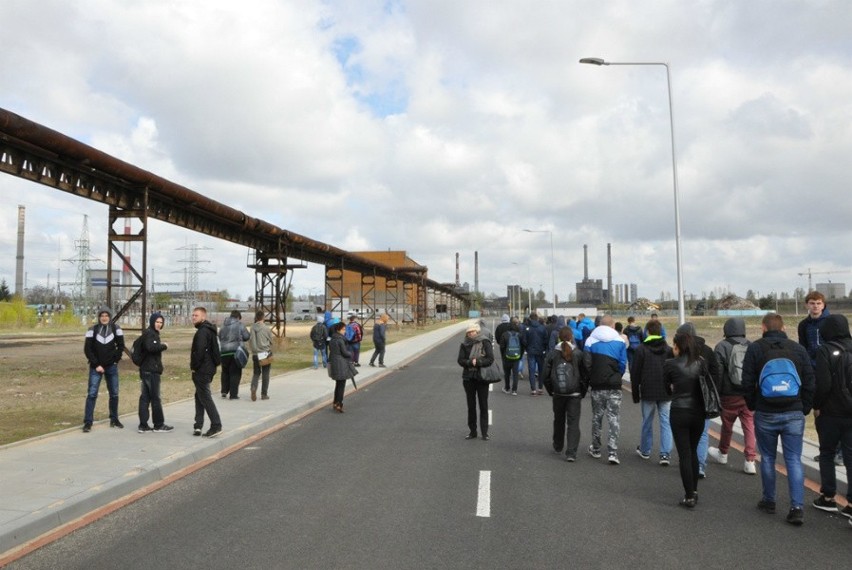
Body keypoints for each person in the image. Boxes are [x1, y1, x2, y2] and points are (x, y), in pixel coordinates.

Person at [741, 313, 815, 526]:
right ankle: (797, 507)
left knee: (768, 458)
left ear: (763, 328)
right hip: (793, 411)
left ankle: (769, 500)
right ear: (783, 328)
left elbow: (746, 381)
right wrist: (805, 407)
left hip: (766, 412)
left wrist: (753, 404)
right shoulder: (798, 349)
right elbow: (809, 381)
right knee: (793, 459)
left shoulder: (756, 348)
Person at [811, 314, 852, 517]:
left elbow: (823, 384)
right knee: (850, 456)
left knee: (827, 453)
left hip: (831, 412)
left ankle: (828, 497)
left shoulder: (825, 350)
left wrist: (816, 406)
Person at [797, 290, 842, 465]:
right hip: (814, 373)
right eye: (812, 303)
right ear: (807, 305)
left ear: (824, 305)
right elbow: (803, 348)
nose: (815, 306)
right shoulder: (804, 325)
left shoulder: (831, 323)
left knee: (835, 412)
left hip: (833, 371)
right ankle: (826, 450)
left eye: (818, 303)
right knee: (818, 413)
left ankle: (839, 452)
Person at [707, 318, 756, 474]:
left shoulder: (722, 346)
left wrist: (717, 392)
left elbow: (718, 372)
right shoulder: (751, 345)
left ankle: (723, 453)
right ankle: (750, 460)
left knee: (727, 426)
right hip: (748, 394)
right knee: (749, 426)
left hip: (728, 394)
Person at [664, 330, 706, 508]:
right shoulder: (701, 363)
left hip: (679, 410)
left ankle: (689, 495)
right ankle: (694, 491)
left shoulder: (670, 364)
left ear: (678, 346)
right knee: (694, 450)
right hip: (698, 411)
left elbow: (666, 389)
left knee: (684, 454)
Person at [678, 322, 722, 478]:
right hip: (703, 399)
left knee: (684, 435)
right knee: (703, 433)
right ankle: (700, 466)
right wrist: (710, 390)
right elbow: (716, 374)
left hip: (683, 399)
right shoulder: (708, 351)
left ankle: (688, 465)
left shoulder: (680, 351)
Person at [583, 315, 628, 464]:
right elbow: (622, 364)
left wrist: (593, 377)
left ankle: (596, 448)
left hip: (597, 385)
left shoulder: (590, 340)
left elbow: (587, 363)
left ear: (599, 325)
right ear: (613, 326)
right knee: (613, 418)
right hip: (614, 385)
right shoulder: (620, 341)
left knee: (597, 416)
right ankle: (613, 452)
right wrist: (616, 376)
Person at [631, 319, 674, 466]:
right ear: (660, 331)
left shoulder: (641, 349)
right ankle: (665, 454)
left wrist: (635, 393)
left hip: (648, 390)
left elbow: (635, 373)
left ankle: (645, 450)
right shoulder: (668, 349)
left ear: (647, 331)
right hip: (666, 391)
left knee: (647, 421)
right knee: (666, 422)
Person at [543, 327, 586, 461]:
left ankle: (558, 445)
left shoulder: (552, 354)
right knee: (573, 422)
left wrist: (551, 390)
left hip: (558, 393)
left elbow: (545, 376)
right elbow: (585, 375)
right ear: (571, 337)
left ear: (559, 338)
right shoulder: (578, 354)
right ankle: (571, 453)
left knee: (559, 419)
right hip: (574, 393)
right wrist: (582, 391)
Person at [83, 307, 126, 432]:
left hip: (111, 367)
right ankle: (88, 422)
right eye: (102, 315)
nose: (104, 317)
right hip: (96, 368)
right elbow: (88, 349)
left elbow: (121, 346)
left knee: (114, 393)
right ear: (99, 317)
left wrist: (115, 360)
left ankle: (114, 419)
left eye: (107, 315)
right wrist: (96, 364)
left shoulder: (116, 329)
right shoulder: (92, 330)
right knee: (92, 394)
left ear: (110, 317)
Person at [457, 322, 494, 440]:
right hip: (468, 378)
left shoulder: (485, 341)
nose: (471, 333)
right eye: (469, 332)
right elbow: (460, 360)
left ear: (477, 332)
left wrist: (478, 362)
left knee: (483, 405)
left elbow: (490, 358)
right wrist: (469, 362)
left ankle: (484, 432)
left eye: (473, 331)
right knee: (471, 406)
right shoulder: (464, 344)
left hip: (482, 378)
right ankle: (473, 431)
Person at [137, 312, 173, 433]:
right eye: (157, 322)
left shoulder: (150, 333)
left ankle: (143, 425)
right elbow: (150, 347)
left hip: (146, 370)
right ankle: (158, 424)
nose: (159, 324)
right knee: (155, 398)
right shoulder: (150, 333)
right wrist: (164, 346)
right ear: (152, 322)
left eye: (161, 322)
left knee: (145, 398)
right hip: (151, 371)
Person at [190, 307, 223, 438]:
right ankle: (198, 425)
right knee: (199, 396)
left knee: (205, 397)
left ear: (203, 317)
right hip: (209, 369)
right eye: (192, 315)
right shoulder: (210, 330)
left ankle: (216, 425)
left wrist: (194, 367)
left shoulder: (203, 332)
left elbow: (199, 352)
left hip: (202, 370)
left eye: (196, 315)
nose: (193, 317)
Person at [218, 310, 250, 399]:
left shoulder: (223, 325)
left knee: (225, 372)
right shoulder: (240, 324)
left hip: (223, 352)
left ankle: (224, 391)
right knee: (235, 373)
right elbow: (247, 336)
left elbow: (219, 336)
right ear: (238, 317)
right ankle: (233, 394)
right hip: (236, 352)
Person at [328, 319, 356, 412]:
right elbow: (344, 353)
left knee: (338, 384)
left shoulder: (332, 339)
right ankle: (339, 404)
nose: (345, 331)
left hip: (335, 364)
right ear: (339, 330)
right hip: (341, 364)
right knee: (341, 385)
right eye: (343, 329)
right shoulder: (340, 340)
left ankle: (335, 402)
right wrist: (350, 353)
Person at [249, 310, 273, 401]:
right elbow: (271, 341)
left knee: (256, 373)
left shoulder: (252, 328)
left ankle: (253, 388)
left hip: (255, 353)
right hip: (264, 353)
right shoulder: (266, 328)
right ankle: (264, 394)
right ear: (263, 318)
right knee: (266, 373)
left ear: (256, 318)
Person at [523, 312, 548, 395]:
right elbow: (546, 340)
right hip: (540, 351)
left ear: (530, 318)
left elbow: (524, 341)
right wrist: (544, 349)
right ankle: (540, 388)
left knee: (532, 370)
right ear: (537, 318)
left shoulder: (527, 328)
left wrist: (527, 348)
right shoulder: (542, 328)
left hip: (530, 351)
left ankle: (533, 389)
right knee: (541, 370)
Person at [499, 317, 525, 395]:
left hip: (506, 357)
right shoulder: (519, 335)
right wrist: (520, 355)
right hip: (516, 357)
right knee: (515, 373)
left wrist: (503, 355)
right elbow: (523, 346)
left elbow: (502, 346)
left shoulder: (504, 334)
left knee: (507, 373)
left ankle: (507, 388)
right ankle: (514, 390)